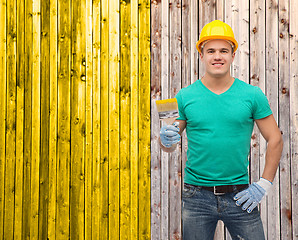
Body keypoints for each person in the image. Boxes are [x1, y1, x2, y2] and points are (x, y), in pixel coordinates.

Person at [159, 20, 283, 240]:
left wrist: (263, 184)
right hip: (196, 196)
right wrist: (165, 141)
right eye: (211, 51)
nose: (218, 56)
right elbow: (170, 143)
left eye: (224, 50)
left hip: (241, 195)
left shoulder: (252, 95)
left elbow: (275, 139)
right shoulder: (185, 96)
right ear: (202, 55)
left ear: (233, 55)